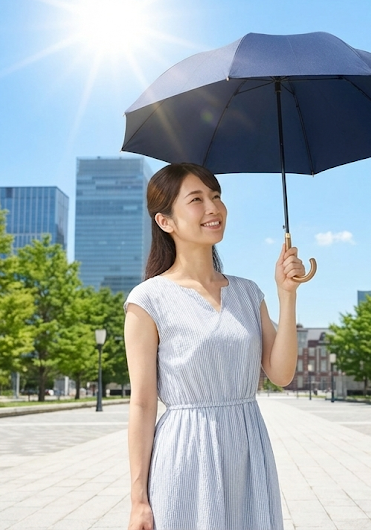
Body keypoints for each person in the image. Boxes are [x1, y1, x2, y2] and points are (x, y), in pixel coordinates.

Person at [124, 163, 306, 530]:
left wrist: (287, 296)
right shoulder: (148, 299)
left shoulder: (248, 292)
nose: (213, 208)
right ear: (165, 221)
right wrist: (138, 499)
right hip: (185, 454)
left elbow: (282, 374)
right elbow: (143, 403)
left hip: (249, 450)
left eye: (217, 196)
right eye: (196, 199)